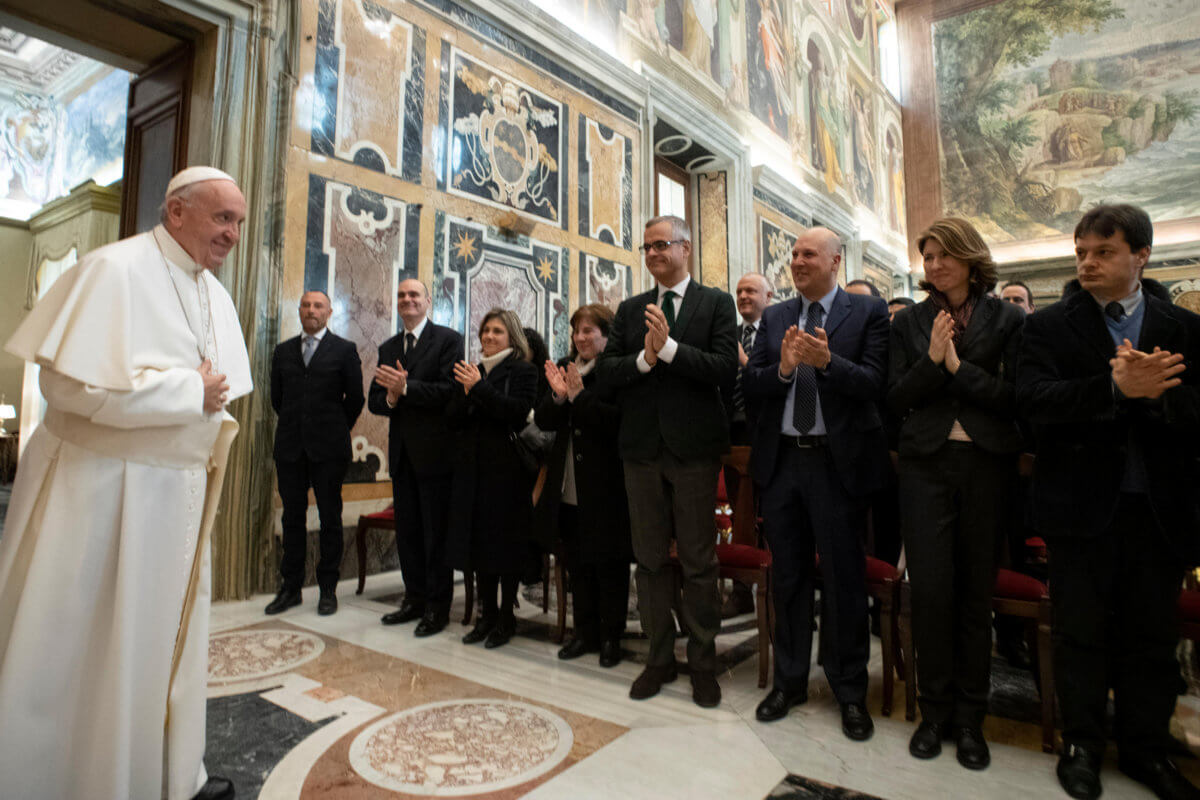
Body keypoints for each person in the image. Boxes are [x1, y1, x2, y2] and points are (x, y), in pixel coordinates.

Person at [0, 166, 252, 800]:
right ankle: (69, 777)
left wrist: (202, 399)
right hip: (103, 495)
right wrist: (185, 390)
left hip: (178, 496)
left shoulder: (214, 294)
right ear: (177, 212)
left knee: (164, 640)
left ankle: (165, 772)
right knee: (90, 644)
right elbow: (65, 387)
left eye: (240, 222)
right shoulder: (114, 270)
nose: (233, 234)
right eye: (223, 218)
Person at [1018, 204, 1200, 800]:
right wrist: (1114, 388)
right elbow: (1035, 404)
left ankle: (1148, 750)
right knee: (1081, 632)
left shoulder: (1183, 329)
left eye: (1103, 252)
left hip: (1159, 510)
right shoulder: (1047, 327)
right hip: (1080, 508)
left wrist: (1158, 398)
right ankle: (1082, 746)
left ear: (1140, 256)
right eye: (1081, 253)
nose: (1088, 263)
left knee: (1150, 635)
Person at [888, 218, 1025, 770]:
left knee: (974, 593)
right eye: (927, 257)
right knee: (932, 592)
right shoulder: (911, 321)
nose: (935, 265)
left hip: (986, 463)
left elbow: (1016, 397)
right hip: (925, 465)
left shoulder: (1008, 319)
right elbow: (896, 396)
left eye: (945, 255)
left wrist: (957, 367)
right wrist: (931, 362)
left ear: (970, 259)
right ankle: (934, 711)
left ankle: (971, 718)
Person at [743, 227, 888, 741]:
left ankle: (850, 691)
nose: (797, 261)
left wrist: (827, 363)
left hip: (836, 464)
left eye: (808, 254)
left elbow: (875, 385)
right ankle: (789, 681)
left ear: (835, 260)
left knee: (845, 581)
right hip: (783, 464)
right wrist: (782, 371)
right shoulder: (777, 316)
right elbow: (750, 385)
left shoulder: (867, 313)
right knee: (789, 579)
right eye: (794, 254)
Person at [597, 214, 738, 708]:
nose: (654, 254)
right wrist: (646, 359)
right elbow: (609, 373)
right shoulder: (632, 308)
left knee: (700, 562)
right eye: (647, 247)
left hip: (694, 452)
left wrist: (672, 349)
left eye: (662, 245)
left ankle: (703, 663)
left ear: (686, 247)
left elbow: (724, 370)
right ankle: (658, 659)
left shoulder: (716, 303)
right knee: (650, 559)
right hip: (640, 451)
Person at [533, 304, 632, 667]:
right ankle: (584, 632)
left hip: (606, 486)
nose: (580, 337)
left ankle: (611, 638)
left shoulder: (614, 371)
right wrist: (559, 395)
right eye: (577, 331)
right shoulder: (564, 366)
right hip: (568, 484)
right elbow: (544, 418)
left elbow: (616, 423)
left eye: (590, 331)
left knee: (609, 565)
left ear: (607, 336)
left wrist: (578, 396)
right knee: (577, 565)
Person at [369, 279, 463, 636]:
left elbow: (451, 392)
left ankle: (438, 608)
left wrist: (406, 388)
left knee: (435, 534)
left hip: (437, 455)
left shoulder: (448, 340)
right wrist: (392, 398)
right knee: (408, 532)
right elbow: (375, 401)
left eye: (414, 295)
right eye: (402, 296)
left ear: (428, 301)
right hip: (403, 456)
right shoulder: (388, 346)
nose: (407, 300)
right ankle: (414, 599)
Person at [266, 290, 364, 617]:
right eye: (306, 305)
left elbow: (355, 400)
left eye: (317, 305)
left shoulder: (345, 350)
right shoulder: (282, 352)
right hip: (290, 448)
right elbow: (277, 399)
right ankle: (290, 588)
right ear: (299, 311)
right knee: (292, 518)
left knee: (330, 519)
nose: (311, 310)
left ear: (329, 311)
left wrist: (334, 426)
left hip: (329, 450)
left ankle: (328, 590)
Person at [445, 309, 538, 649]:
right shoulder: (470, 372)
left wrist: (479, 389)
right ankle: (486, 615)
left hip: (507, 471)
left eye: (497, 331)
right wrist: (468, 392)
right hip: (472, 469)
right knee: (479, 546)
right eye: (485, 331)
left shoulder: (523, 371)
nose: (488, 337)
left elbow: (516, 413)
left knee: (506, 546)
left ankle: (506, 618)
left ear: (511, 337)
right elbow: (452, 417)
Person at [723, 272, 774, 619]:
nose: (743, 296)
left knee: (770, 515)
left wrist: (745, 361)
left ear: (768, 296)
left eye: (751, 290)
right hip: (731, 434)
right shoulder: (728, 335)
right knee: (740, 510)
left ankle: (776, 585)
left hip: (768, 435)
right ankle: (740, 590)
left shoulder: (777, 331)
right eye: (740, 291)